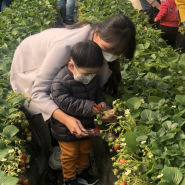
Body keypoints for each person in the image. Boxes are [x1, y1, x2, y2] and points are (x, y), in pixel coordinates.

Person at [10, 14, 136, 184]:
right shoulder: (65, 48)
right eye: (109, 49)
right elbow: (39, 92)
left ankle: (77, 166)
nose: (111, 55)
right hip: (30, 64)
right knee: (50, 103)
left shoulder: (93, 50)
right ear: (97, 34)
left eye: (117, 53)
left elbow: (94, 85)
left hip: (66, 78)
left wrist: (102, 107)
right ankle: (59, 155)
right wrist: (66, 119)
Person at [51, 40, 105, 185]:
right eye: (87, 74)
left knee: (85, 149)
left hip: (86, 123)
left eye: (94, 74)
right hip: (66, 130)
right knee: (70, 154)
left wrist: (101, 102)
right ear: (71, 66)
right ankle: (69, 178)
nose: (90, 77)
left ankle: (81, 171)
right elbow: (64, 101)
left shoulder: (91, 77)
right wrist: (88, 107)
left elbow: (97, 90)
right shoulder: (60, 82)